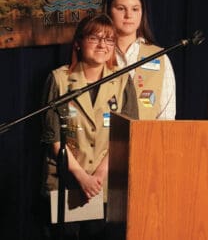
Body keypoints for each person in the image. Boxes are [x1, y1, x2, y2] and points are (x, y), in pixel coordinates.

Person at [40, 13, 139, 240]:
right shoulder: (59, 79)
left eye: (109, 39)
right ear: (79, 42)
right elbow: (52, 135)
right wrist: (81, 176)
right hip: (67, 182)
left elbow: (128, 133)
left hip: (105, 185)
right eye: (95, 38)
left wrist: (100, 173)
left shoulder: (122, 80)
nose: (102, 45)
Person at [103, 0, 176, 120]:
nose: (128, 15)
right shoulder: (98, 53)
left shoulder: (159, 57)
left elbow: (167, 117)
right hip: (104, 140)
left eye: (135, 9)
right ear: (108, 10)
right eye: (121, 8)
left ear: (142, 13)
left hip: (147, 139)